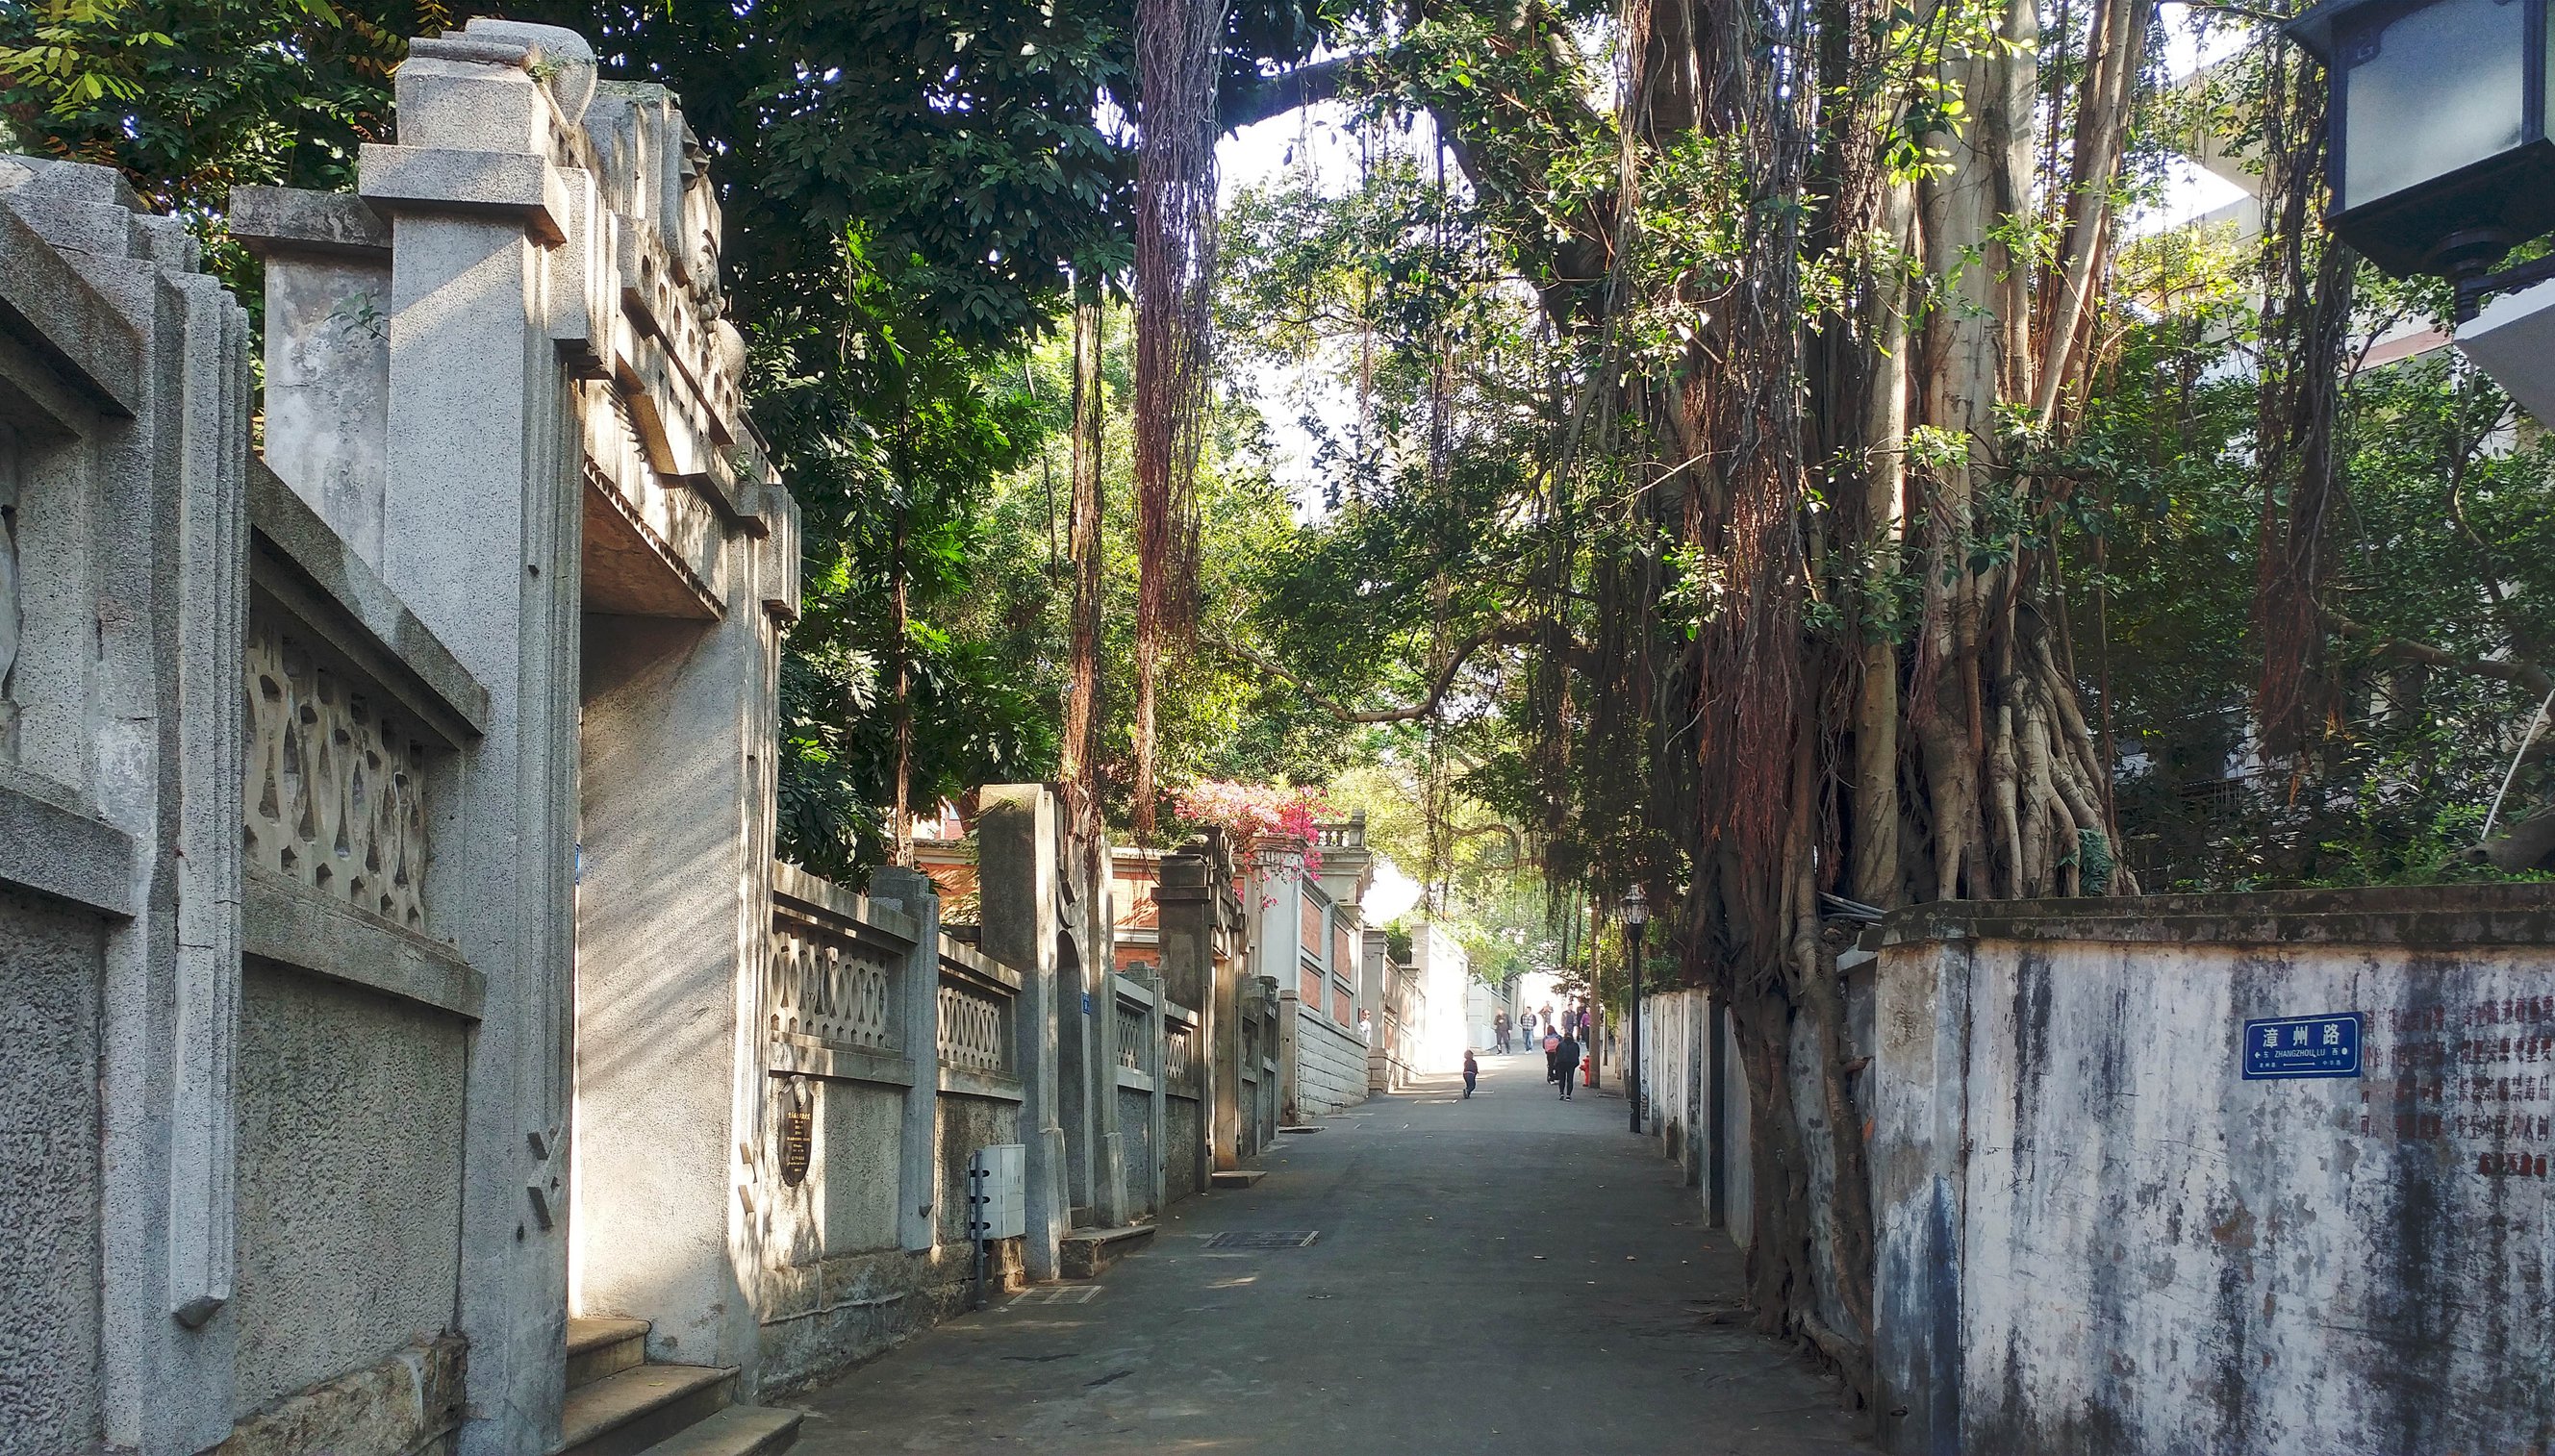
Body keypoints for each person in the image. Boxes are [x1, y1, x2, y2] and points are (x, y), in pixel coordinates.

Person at [1553, 1030, 1581, 1099]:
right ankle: (1568, 1095)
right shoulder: (1575, 1045)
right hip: (1571, 1063)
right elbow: (1578, 1054)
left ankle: (1561, 1093)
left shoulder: (1560, 1044)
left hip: (1561, 1063)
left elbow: (1556, 1053)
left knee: (1562, 1079)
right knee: (1570, 1079)